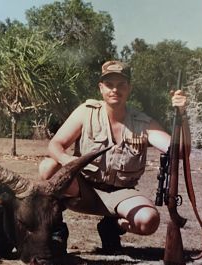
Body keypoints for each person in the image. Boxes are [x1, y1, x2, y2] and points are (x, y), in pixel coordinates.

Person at [39, 60, 188, 254]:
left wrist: (183, 115)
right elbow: (55, 145)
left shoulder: (143, 123)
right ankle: (56, 230)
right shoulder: (86, 112)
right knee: (48, 167)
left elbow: (180, 152)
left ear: (129, 88)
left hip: (121, 194)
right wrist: (70, 163)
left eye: (121, 84)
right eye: (109, 84)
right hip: (84, 190)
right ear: (101, 88)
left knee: (148, 221)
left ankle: (112, 228)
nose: (115, 90)